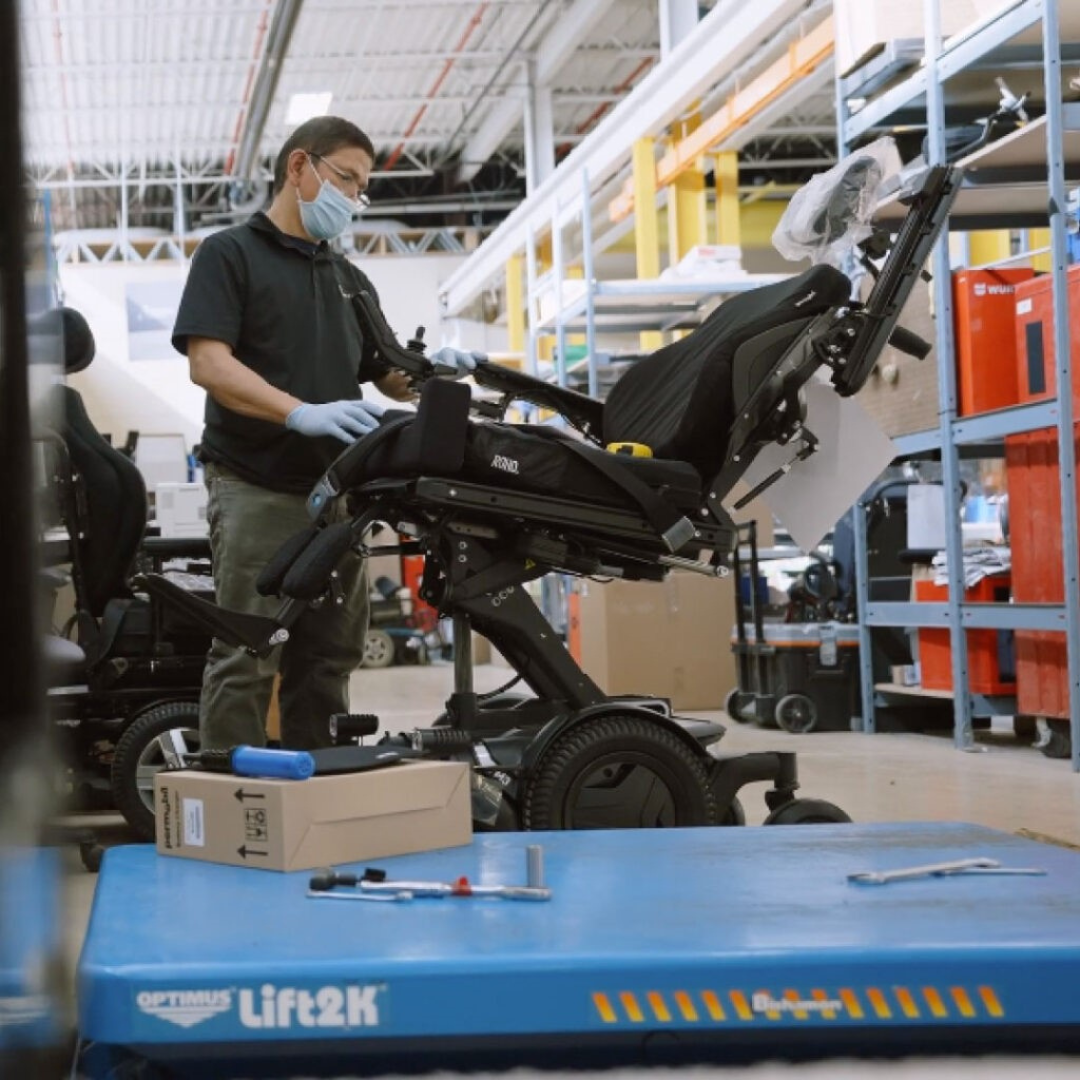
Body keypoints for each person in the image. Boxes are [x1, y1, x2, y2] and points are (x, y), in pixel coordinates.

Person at [172, 116, 479, 751]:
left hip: (337, 498)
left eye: (362, 189)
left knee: (329, 657)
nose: (353, 198)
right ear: (299, 167)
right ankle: (233, 803)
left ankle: (321, 789)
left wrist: (433, 376)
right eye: (346, 179)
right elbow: (209, 363)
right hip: (256, 488)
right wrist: (297, 411)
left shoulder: (349, 281)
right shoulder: (229, 254)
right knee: (248, 654)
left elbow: (388, 375)